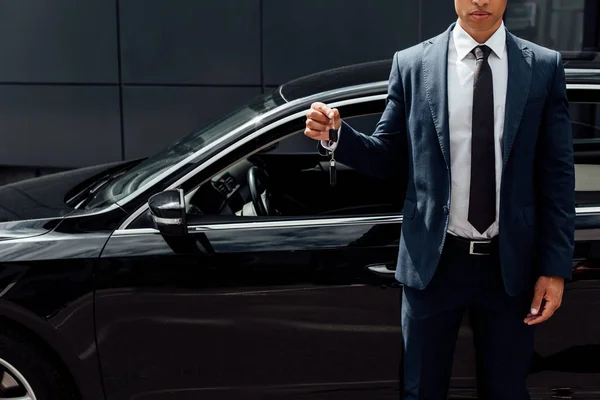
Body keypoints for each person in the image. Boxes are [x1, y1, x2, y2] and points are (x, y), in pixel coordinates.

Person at [304, 0, 575, 399]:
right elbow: (388, 157)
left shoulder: (543, 66)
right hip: (434, 262)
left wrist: (555, 267)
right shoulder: (414, 64)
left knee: (507, 392)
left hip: (510, 265)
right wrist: (337, 137)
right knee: (421, 391)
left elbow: (557, 172)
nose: (480, 1)